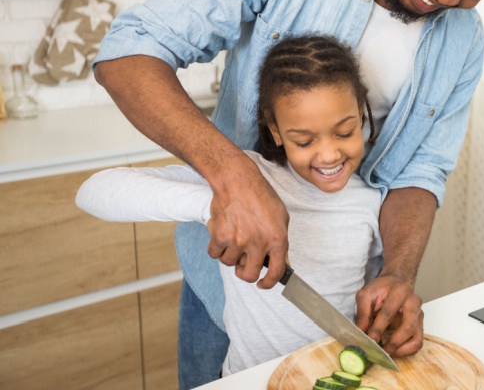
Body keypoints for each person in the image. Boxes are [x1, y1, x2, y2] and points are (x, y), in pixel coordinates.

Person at [91, 0, 484, 387]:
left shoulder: (464, 39)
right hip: (225, 287)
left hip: (347, 306)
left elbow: (418, 172)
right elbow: (129, 52)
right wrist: (235, 180)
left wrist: (398, 273)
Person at [79, 35, 383, 375]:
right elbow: (93, 191)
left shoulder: (372, 202)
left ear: (361, 114)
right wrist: (216, 206)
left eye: (344, 132)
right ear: (276, 131)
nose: (329, 155)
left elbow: (368, 294)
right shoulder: (245, 183)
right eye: (304, 140)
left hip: (332, 377)